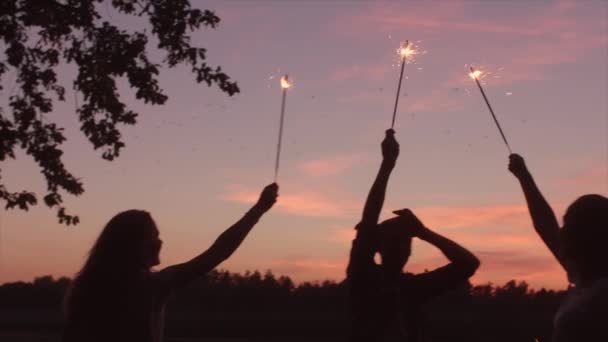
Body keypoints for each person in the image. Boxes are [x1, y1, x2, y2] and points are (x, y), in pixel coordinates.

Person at [62, 183, 279, 342]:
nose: (159, 241)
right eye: (153, 236)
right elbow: (218, 253)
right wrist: (258, 209)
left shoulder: (86, 289)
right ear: (133, 244)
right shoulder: (150, 287)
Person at [347, 129, 480, 341]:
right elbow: (370, 216)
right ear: (378, 245)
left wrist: (423, 231)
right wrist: (387, 165)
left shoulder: (411, 288)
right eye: (394, 239)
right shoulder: (363, 275)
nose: (400, 245)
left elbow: (469, 264)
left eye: (405, 240)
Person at [508, 154, 608, 341]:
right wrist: (523, 176)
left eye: (567, 226)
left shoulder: (601, 293)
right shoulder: (587, 280)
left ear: (586, 238)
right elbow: (545, 225)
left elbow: (547, 228)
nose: (560, 233)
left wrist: (524, 176)